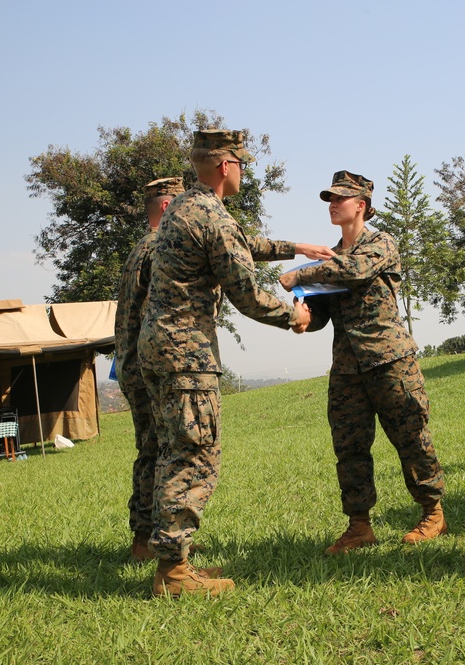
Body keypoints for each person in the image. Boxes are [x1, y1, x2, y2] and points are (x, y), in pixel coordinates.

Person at [139, 129, 333, 597]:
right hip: (187, 354)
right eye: (242, 163)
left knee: (173, 451)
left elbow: (241, 242)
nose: (244, 170)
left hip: (160, 348)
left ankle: (172, 561)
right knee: (194, 454)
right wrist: (294, 315)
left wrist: (298, 248)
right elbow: (245, 291)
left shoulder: (186, 207)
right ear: (225, 166)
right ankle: (172, 572)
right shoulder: (212, 217)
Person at [278, 171, 447, 555]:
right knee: (350, 447)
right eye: (329, 198)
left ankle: (432, 512)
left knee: (411, 438)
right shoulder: (329, 258)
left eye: (341, 198)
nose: (333, 204)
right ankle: (359, 526)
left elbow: (352, 271)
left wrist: (298, 273)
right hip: (347, 369)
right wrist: (301, 317)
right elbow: (318, 313)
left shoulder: (380, 243)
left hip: (390, 361)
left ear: (363, 206)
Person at [115, 177, 185, 563]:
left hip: (132, 364)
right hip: (148, 367)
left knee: (151, 450)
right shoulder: (159, 247)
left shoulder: (140, 248)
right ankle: (146, 541)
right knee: (158, 452)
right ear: (165, 207)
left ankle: (148, 540)